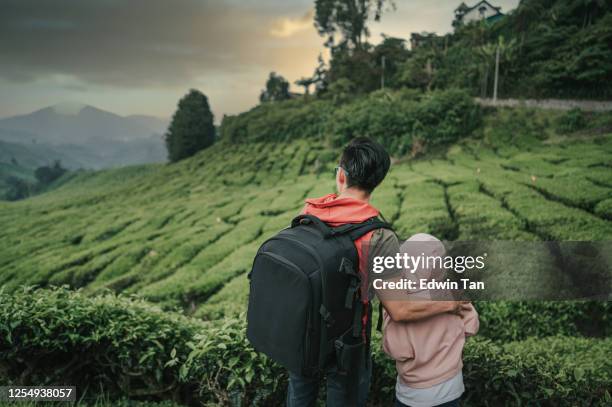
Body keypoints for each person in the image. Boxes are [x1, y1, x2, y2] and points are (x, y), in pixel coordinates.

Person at [286, 137, 471, 407]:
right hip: (346, 344)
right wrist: (452, 301)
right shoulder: (379, 235)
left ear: (340, 175)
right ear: (378, 181)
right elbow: (401, 310)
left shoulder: (309, 212)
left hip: (302, 334)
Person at [382, 233, 479, 407]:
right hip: (451, 385)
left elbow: (396, 349)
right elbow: (471, 326)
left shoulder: (402, 305)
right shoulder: (452, 293)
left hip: (413, 392)